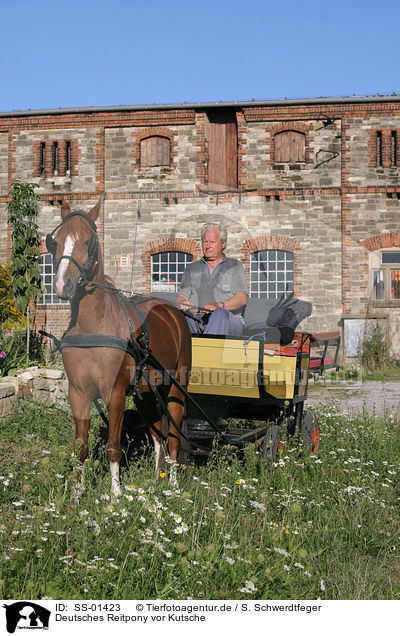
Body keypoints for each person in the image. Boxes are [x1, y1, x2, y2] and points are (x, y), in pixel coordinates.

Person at [176, 223, 248, 335]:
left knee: (220, 314)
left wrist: (217, 306)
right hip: (197, 320)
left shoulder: (234, 266)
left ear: (223, 244)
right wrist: (183, 302)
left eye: (212, 242)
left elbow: (241, 299)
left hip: (227, 320)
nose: (207, 246)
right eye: (205, 242)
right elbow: (181, 296)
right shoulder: (191, 268)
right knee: (178, 317)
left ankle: (206, 348)